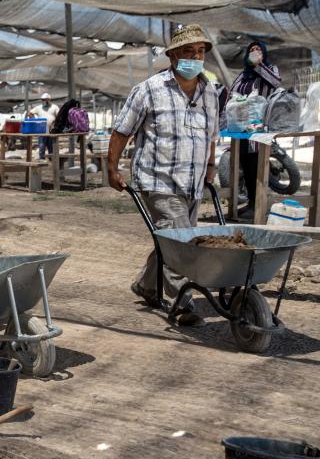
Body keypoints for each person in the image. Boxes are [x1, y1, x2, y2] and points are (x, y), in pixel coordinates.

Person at [107, 24, 219, 328]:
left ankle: (147, 284)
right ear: (172, 55)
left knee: (172, 239)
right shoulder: (149, 90)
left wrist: (210, 168)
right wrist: (112, 168)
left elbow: (211, 136)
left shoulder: (210, 92)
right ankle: (181, 303)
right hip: (159, 180)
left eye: (200, 52)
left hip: (193, 183)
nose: (195, 58)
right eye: (188, 52)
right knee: (180, 241)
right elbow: (121, 131)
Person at [229, 41, 282, 219]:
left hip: (260, 127)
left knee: (257, 165)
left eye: (258, 49)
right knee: (245, 164)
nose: (254, 52)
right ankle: (252, 202)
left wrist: (259, 64)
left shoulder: (270, 69)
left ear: (264, 53)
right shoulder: (242, 75)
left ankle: (260, 205)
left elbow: (275, 83)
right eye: (251, 50)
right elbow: (232, 92)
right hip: (242, 128)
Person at [31, 93, 60, 160]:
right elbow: (30, 113)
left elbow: (59, 117)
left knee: (51, 146)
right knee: (42, 146)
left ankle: (52, 160)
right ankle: (42, 160)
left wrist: (54, 123)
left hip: (51, 130)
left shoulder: (54, 107)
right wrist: (36, 121)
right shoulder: (39, 108)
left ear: (49, 100)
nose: (44, 101)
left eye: (46, 100)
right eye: (43, 100)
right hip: (42, 130)